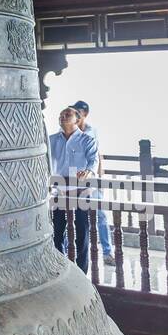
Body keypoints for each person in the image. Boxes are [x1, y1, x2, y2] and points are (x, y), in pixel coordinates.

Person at [49, 106, 98, 274]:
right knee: (57, 231)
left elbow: (93, 161)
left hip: (81, 192)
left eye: (67, 115)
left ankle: (82, 272)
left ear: (77, 120)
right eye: (61, 114)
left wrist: (89, 171)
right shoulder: (52, 140)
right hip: (59, 192)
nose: (63, 117)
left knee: (82, 234)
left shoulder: (87, 140)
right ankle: (59, 268)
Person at [72, 100, 115, 266]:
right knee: (74, 215)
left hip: (92, 179)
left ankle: (107, 252)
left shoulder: (91, 132)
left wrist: (99, 177)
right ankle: (72, 250)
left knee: (100, 215)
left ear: (85, 114)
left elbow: (98, 156)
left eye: (78, 112)